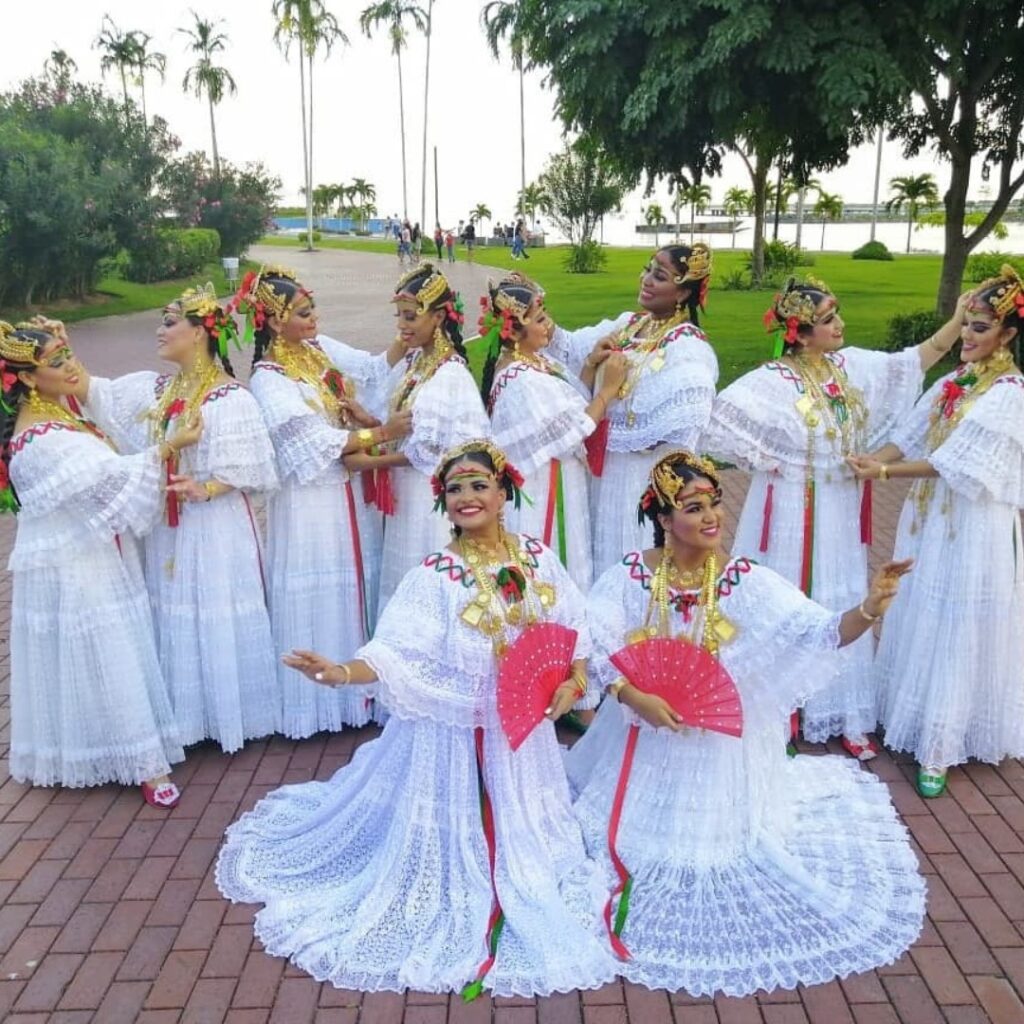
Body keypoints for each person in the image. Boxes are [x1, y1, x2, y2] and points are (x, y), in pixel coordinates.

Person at [217, 440, 617, 997]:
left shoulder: (534, 555)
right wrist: (340, 672)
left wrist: (575, 679)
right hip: (457, 738)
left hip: (522, 737)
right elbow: (394, 652)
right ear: (444, 504)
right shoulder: (436, 575)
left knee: (535, 844)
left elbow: (572, 623)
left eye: (479, 484)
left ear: (505, 492)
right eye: (454, 489)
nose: (466, 496)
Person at [567, 450, 923, 997]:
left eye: (714, 502)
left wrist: (871, 607)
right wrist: (632, 693)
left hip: (717, 745)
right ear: (664, 519)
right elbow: (594, 641)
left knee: (712, 853)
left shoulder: (743, 580)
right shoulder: (630, 576)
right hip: (641, 732)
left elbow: (821, 632)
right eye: (692, 506)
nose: (711, 516)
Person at [703, 276, 959, 758]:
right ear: (799, 333)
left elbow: (910, 363)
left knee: (838, 591)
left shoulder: (848, 367)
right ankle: (777, 710)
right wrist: (771, 459)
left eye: (836, 314)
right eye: (827, 320)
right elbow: (718, 423)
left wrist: (957, 320)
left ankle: (841, 710)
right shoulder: (772, 381)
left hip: (840, 510)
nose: (839, 324)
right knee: (788, 594)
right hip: (788, 510)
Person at [2, 319, 198, 807]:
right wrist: (171, 447)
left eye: (68, 353)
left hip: (92, 551)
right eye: (56, 361)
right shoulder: (38, 439)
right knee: (109, 653)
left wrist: (58, 339)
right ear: (26, 377)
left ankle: (116, 749)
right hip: (74, 564)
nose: (71, 366)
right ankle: (145, 765)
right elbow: (110, 479)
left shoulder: (57, 411)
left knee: (115, 650)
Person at [849, 265, 1024, 797]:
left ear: (1008, 335)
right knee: (919, 606)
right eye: (966, 324)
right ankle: (908, 713)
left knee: (959, 619)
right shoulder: (952, 383)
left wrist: (883, 473)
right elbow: (909, 435)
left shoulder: (1010, 392)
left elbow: (953, 461)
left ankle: (942, 744)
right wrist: (867, 458)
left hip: (974, 526)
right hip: (927, 518)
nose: (967, 337)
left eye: (979, 328)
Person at [84, 284, 281, 753]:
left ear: (199, 333)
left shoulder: (229, 398)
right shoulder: (162, 390)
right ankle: (186, 715)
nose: (160, 330)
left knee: (212, 605)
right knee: (174, 606)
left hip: (214, 526)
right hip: (172, 526)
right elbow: (99, 397)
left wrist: (206, 488)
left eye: (170, 321)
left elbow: (254, 470)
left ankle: (227, 715)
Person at [240, 267, 412, 737]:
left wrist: (412, 330)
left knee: (355, 581)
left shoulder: (318, 353)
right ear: (274, 323)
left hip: (345, 490)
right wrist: (379, 433)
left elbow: (372, 370)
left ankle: (357, 688)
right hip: (309, 501)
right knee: (320, 585)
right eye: (302, 313)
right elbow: (304, 438)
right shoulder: (268, 377)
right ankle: (313, 705)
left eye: (312, 309)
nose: (313, 318)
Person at [547, 244, 717, 571]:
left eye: (660, 275)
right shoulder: (630, 324)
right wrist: (530, 312)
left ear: (682, 292)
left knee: (631, 557)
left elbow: (682, 426)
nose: (647, 279)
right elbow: (567, 347)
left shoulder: (688, 345)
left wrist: (610, 391)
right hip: (604, 469)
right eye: (648, 269)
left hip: (639, 477)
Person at [342, 265, 489, 606]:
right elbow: (410, 428)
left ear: (437, 317)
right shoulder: (418, 364)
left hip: (429, 498)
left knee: (427, 579)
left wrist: (371, 459)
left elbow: (436, 450)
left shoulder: (449, 372)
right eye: (400, 316)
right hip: (407, 494)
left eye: (410, 317)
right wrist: (372, 421)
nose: (401, 326)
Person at [482, 273, 627, 592]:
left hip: (559, 481)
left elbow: (569, 403)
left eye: (545, 315)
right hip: (544, 489)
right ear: (514, 330)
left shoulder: (535, 359)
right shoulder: (520, 378)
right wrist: (609, 389)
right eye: (539, 319)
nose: (548, 324)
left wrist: (590, 365)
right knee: (551, 573)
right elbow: (575, 427)